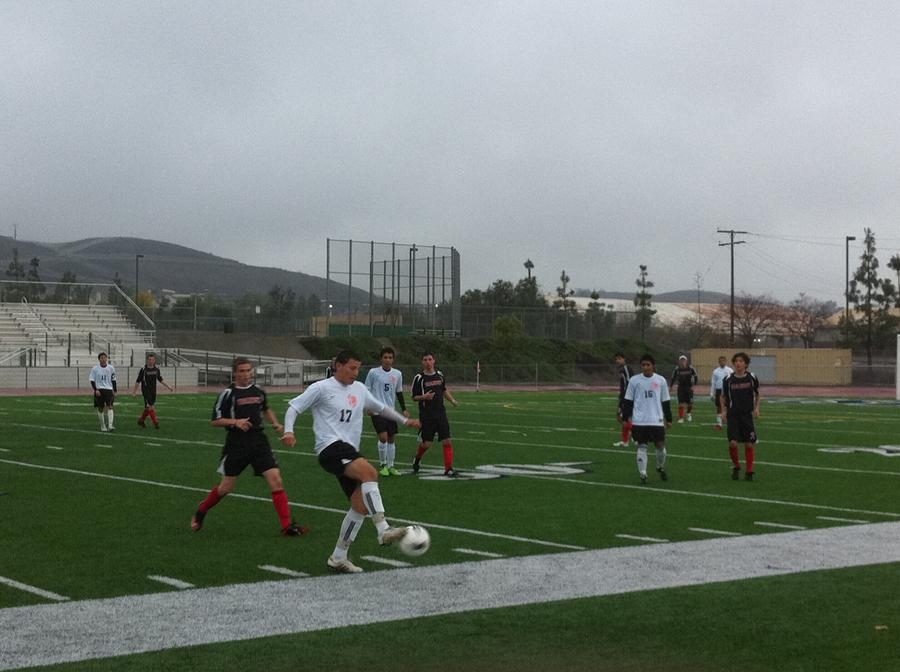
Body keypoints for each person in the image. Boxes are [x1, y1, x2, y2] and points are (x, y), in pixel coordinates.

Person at [281, 349, 421, 573]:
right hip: (330, 448)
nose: (355, 373)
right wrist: (289, 431)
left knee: (360, 506)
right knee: (370, 473)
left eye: (358, 368)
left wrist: (405, 420)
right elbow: (293, 408)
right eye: (352, 368)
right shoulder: (321, 388)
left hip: (347, 451)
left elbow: (380, 407)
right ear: (338, 365)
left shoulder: (359, 389)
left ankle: (338, 556)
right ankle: (383, 529)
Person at [190, 357, 308, 536]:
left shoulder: (259, 391)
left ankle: (287, 526)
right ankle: (202, 510)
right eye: (242, 371)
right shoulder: (228, 394)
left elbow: (266, 409)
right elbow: (215, 420)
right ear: (235, 373)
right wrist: (235, 421)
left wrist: (277, 426)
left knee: (276, 479)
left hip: (259, 441)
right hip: (237, 443)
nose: (246, 374)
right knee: (226, 488)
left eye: (248, 371)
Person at [622, 354, 673, 484]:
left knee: (660, 446)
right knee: (642, 446)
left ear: (653, 366)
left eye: (648, 365)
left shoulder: (660, 380)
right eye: (643, 365)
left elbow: (666, 401)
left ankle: (660, 467)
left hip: (657, 419)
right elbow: (628, 400)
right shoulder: (634, 380)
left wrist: (669, 418)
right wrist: (625, 417)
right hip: (639, 420)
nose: (645, 367)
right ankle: (643, 473)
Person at [411, 351, 460, 477]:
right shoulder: (419, 378)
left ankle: (448, 468)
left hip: (440, 413)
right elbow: (414, 397)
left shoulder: (440, 375)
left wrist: (452, 400)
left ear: (434, 361)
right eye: (425, 359)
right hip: (427, 415)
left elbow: (444, 390)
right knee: (426, 443)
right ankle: (417, 459)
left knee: (447, 441)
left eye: (430, 359)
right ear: (422, 362)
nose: (428, 362)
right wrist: (424, 397)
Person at [364, 346, 409, 476]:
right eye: (385, 357)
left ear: (393, 360)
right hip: (377, 410)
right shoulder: (373, 372)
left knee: (391, 438)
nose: (387, 360)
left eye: (390, 357)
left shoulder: (397, 374)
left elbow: (399, 392)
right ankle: (383, 464)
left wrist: (404, 409)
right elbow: (366, 390)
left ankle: (391, 466)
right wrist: (368, 407)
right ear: (381, 359)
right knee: (383, 437)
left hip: (391, 411)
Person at [720, 352, 761, 481]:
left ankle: (749, 471)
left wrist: (757, 408)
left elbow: (758, 394)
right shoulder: (728, 379)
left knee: (749, 444)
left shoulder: (752, 378)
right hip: (733, 415)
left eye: (741, 361)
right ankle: (736, 466)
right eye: (736, 361)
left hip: (747, 415)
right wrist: (723, 411)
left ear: (746, 364)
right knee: (733, 443)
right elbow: (722, 396)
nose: (738, 363)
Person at [132, 352, 173, 429]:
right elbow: (138, 381)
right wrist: (134, 391)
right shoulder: (143, 369)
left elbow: (160, 379)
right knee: (150, 406)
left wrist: (168, 386)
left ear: (154, 361)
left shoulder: (156, 369)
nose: (151, 361)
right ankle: (155, 422)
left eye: (152, 359)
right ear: (147, 360)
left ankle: (141, 420)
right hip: (145, 391)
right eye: (149, 359)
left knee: (148, 408)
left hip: (153, 391)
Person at [89, 352, 117, 432]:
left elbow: (113, 379)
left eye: (105, 357)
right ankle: (103, 425)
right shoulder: (95, 369)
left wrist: (115, 390)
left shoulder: (111, 368)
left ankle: (110, 425)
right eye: (102, 358)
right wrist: (96, 390)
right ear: (99, 359)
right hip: (99, 390)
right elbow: (92, 380)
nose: (103, 359)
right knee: (100, 408)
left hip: (108, 389)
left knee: (110, 406)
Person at [612, 352, 634, 447]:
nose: (618, 361)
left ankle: (632, 436)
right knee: (621, 418)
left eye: (619, 359)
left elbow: (630, 383)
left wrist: (626, 397)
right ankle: (630, 437)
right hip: (624, 396)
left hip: (627, 397)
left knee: (623, 418)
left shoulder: (626, 369)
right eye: (616, 359)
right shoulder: (621, 369)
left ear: (624, 359)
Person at [670, 355, 698, 423]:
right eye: (681, 360)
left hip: (689, 387)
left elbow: (696, 376)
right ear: (679, 361)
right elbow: (673, 377)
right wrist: (671, 386)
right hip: (681, 388)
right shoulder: (677, 369)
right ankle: (681, 418)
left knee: (690, 403)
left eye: (684, 360)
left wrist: (694, 385)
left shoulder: (690, 368)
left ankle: (688, 414)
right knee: (680, 403)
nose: (682, 361)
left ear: (686, 361)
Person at [709, 355, 734, 430]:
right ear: (719, 362)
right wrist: (711, 393)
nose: (722, 362)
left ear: (726, 361)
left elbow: (733, 381)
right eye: (720, 361)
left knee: (728, 406)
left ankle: (729, 421)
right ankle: (719, 423)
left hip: (727, 390)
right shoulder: (715, 371)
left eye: (723, 361)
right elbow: (713, 382)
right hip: (719, 390)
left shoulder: (730, 370)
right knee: (719, 406)